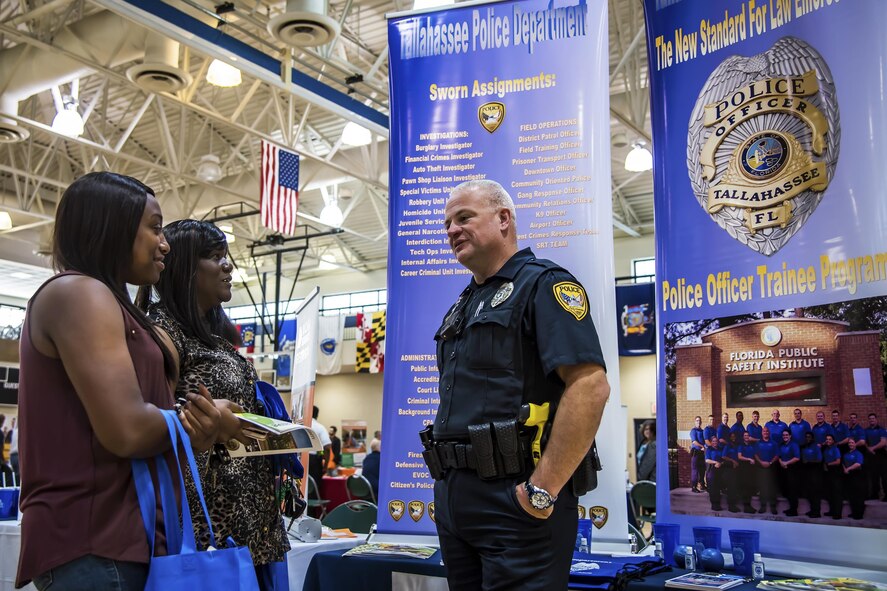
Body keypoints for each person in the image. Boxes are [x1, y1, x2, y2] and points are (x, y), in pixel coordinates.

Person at [15, 172, 227, 590]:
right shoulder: (79, 293)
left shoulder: (115, 305)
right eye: (154, 227)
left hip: (129, 538)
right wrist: (210, 419)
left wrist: (196, 426)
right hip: (94, 540)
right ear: (111, 227)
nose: (164, 243)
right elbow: (128, 430)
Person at [424, 180, 610, 590]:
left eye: (464, 217)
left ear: (504, 218)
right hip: (457, 498)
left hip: (516, 499)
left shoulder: (544, 284)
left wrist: (541, 490)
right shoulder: (463, 304)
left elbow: (589, 386)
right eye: (447, 224)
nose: (452, 230)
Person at [136, 219, 290, 589]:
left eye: (226, 255)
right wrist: (213, 423)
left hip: (255, 520)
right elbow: (150, 419)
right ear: (186, 268)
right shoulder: (162, 333)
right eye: (215, 256)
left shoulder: (214, 337)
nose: (228, 266)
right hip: (207, 527)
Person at [754, 426, 779, 515]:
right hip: (761, 468)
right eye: (764, 431)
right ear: (762, 433)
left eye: (767, 431)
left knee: (772, 487)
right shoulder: (758, 443)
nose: (765, 432)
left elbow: (776, 455)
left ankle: (773, 507)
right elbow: (756, 454)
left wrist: (770, 463)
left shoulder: (774, 443)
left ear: (769, 433)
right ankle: (763, 506)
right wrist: (761, 462)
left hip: (771, 467)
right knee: (763, 487)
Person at [778, 429, 801, 516]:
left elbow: (797, 457)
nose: (785, 436)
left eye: (786, 435)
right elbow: (779, 456)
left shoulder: (794, 445)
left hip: (792, 470)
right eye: (783, 435)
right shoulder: (781, 445)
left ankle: (794, 510)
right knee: (786, 489)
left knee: (792, 490)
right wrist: (781, 463)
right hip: (783, 469)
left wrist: (786, 463)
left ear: (790, 436)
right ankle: (790, 508)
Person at [800, 431, 823, 518]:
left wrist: (809, 462)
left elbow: (819, 459)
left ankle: (817, 512)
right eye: (806, 437)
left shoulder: (816, 447)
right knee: (809, 492)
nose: (807, 438)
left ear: (812, 438)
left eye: (809, 437)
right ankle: (812, 510)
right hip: (807, 472)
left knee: (815, 493)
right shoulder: (805, 447)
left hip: (815, 473)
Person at [864, 413, 886, 500]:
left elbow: (884, 442)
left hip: (881, 454)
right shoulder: (866, 430)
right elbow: (864, 441)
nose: (871, 420)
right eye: (870, 419)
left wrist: (872, 448)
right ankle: (874, 495)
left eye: (873, 418)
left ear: (876, 419)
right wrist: (869, 449)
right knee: (873, 476)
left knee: (884, 476)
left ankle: (886, 495)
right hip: (871, 455)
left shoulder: (881, 429)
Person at [308, 406, 333, 486]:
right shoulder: (320, 427)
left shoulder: (299, 425)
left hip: (300, 459)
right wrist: (325, 465)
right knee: (314, 487)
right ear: (317, 415)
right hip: (314, 461)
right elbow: (327, 448)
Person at [842, 438, 866, 519]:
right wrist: (845, 469)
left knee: (858, 496)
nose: (850, 444)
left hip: (857, 475)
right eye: (849, 443)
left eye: (852, 442)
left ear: (855, 444)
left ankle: (859, 514)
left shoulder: (858, 453)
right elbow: (843, 463)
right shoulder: (846, 454)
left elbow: (858, 464)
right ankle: (854, 512)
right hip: (849, 476)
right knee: (851, 496)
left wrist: (848, 469)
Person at [822, 434, 844, 519]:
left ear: (833, 441)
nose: (828, 441)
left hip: (836, 472)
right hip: (828, 473)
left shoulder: (836, 449)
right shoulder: (826, 450)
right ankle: (831, 511)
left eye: (830, 439)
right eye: (827, 439)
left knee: (837, 493)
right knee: (830, 493)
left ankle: (838, 514)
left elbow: (838, 461)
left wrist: (829, 464)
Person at [736, 431, 758, 513]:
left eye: (748, 435)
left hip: (751, 469)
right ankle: (746, 507)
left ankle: (749, 506)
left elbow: (755, 455)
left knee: (749, 487)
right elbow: (739, 456)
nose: (746, 437)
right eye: (745, 435)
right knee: (745, 487)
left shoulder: (751, 446)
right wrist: (749, 459)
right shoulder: (741, 446)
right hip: (743, 468)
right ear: (743, 437)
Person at [704, 435, 726, 511]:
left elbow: (724, 459)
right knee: (713, 488)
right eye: (713, 441)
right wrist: (715, 462)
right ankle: (714, 504)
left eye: (716, 441)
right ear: (711, 442)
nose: (715, 442)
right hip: (712, 470)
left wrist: (721, 463)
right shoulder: (709, 449)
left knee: (718, 488)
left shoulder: (721, 449)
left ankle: (718, 504)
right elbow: (707, 460)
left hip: (719, 470)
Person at [689, 416, 706, 493]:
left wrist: (705, 447)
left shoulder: (702, 431)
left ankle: (702, 485)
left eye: (699, 420)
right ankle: (694, 487)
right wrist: (702, 446)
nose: (698, 422)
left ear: (701, 422)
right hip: (695, 453)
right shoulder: (693, 431)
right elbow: (694, 441)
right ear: (694, 421)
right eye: (697, 420)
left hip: (702, 453)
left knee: (702, 470)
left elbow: (705, 441)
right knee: (695, 470)